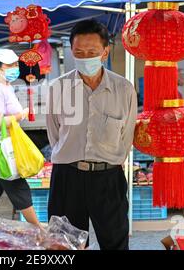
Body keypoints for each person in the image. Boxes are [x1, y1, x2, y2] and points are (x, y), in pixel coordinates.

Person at [46, 19, 137, 250]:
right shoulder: (58, 88)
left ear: (105, 52)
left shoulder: (123, 89)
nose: (85, 57)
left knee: (115, 243)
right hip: (67, 177)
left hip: (108, 178)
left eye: (92, 52)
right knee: (64, 247)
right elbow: (54, 134)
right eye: (79, 52)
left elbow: (126, 135)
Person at [0, 49, 41, 227]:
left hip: (1, 147)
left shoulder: (7, 87)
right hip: (1, 149)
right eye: (9, 65)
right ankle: (39, 229)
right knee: (18, 187)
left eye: (14, 64)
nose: (14, 68)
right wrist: (21, 115)